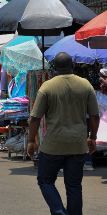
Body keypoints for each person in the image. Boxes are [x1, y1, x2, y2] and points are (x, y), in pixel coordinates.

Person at [27, 52, 100, 215]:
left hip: (53, 145)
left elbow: (35, 118)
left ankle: (59, 212)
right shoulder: (85, 85)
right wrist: (93, 137)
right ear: (72, 65)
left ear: (54, 67)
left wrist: (32, 141)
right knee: (74, 186)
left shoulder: (47, 86)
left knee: (45, 180)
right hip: (77, 144)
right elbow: (95, 116)